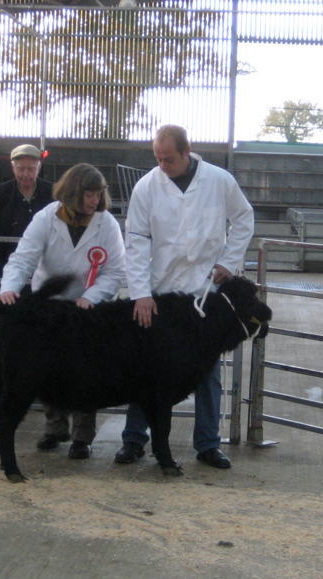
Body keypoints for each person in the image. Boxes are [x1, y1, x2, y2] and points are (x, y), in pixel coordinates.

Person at [115, 124, 254, 469]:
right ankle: (134, 439)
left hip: (206, 292)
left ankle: (208, 443)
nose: (163, 165)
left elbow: (244, 218)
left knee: (208, 369)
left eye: (170, 159)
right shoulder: (147, 187)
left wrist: (228, 261)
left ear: (187, 150)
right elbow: (136, 243)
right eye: (158, 159)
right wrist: (140, 294)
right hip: (162, 292)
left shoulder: (219, 180)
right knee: (146, 366)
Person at [0, 163, 125, 460]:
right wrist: (10, 288)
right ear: (72, 193)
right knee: (48, 366)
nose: (95, 201)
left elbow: (115, 271)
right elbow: (23, 258)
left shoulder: (106, 224)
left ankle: (83, 435)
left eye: (98, 195)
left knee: (87, 371)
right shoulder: (46, 217)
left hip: (89, 308)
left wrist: (91, 297)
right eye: (88, 195)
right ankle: (55, 427)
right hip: (52, 305)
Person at [0, 144, 53, 299]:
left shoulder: (52, 193)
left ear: (39, 168)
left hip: (43, 275)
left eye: (31, 169)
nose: (25, 174)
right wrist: (1, 269)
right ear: (13, 168)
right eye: (20, 168)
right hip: (3, 272)